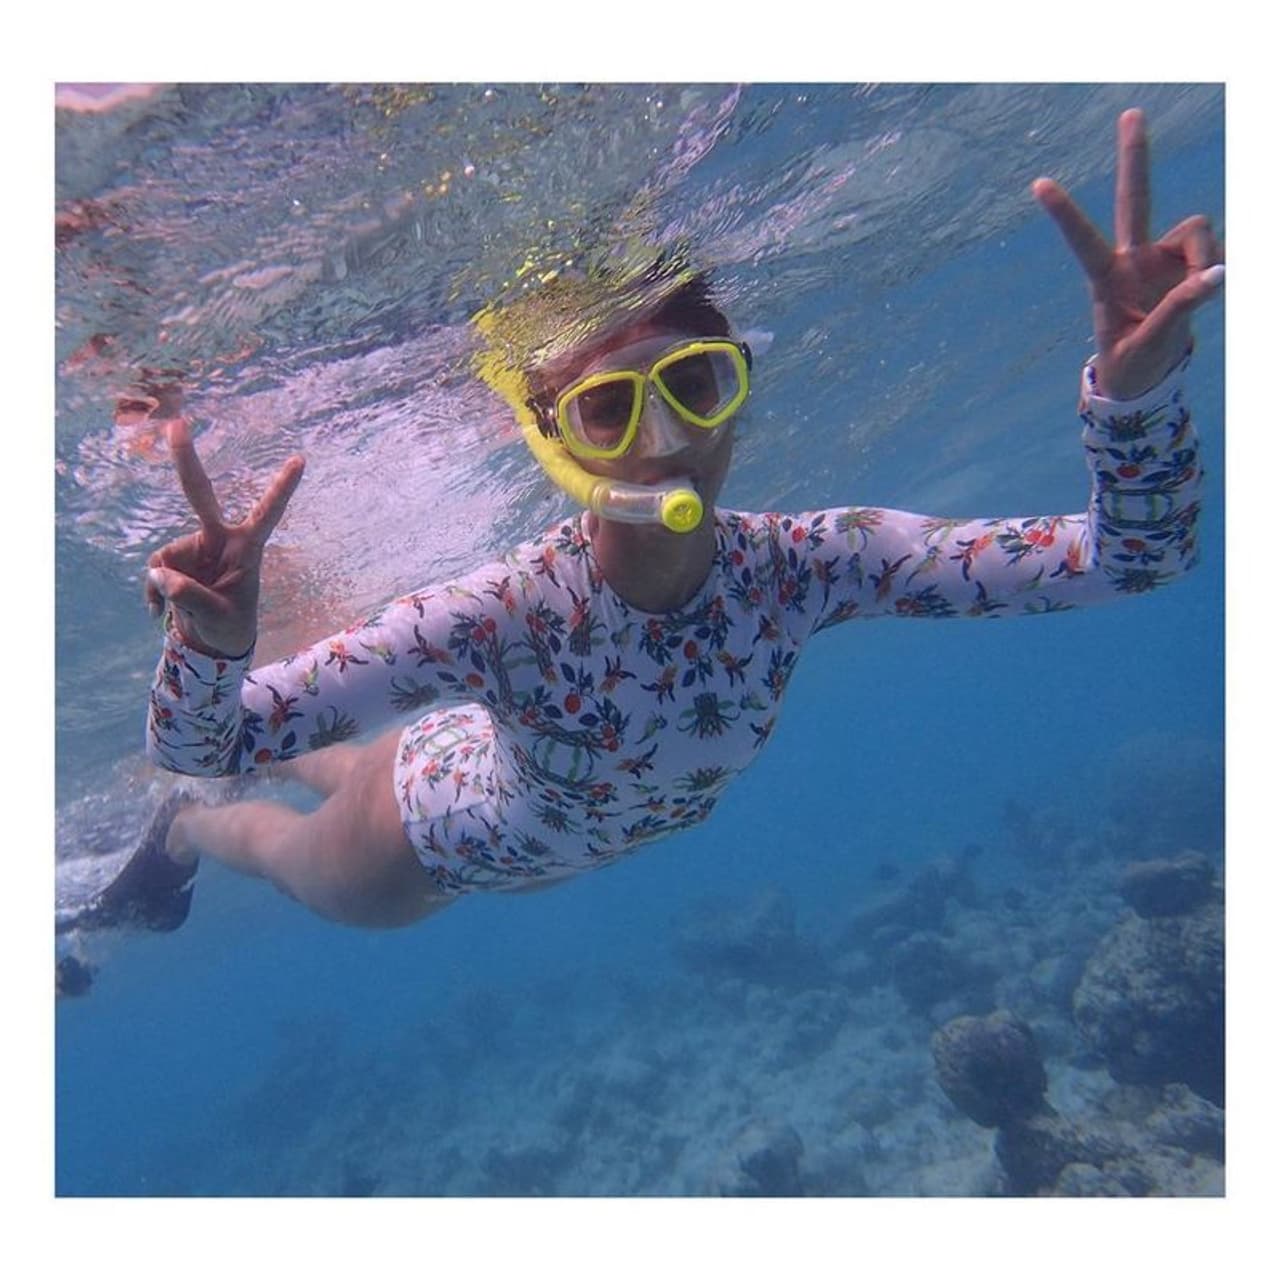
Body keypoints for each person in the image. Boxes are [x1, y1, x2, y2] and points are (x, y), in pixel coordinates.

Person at [132, 109, 1222, 933]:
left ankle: (258, 791)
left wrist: (1137, 397)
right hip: (412, 848)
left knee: (341, 752)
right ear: (556, 439)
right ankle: (187, 825)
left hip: (469, 765)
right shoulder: (495, 614)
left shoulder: (815, 564)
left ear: (736, 388)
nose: (663, 441)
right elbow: (204, 738)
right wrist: (212, 644)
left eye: (694, 385)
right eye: (609, 408)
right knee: (267, 835)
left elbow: (1135, 558)